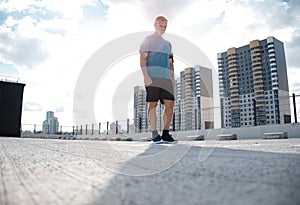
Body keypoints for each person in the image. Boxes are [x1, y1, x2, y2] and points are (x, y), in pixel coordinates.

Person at [139, 15, 176, 142]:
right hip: (152, 76)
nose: (163, 28)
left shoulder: (168, 44)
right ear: (155, 24)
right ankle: (154, 133)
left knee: (170, 104)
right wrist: (145, 75)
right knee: (153, 104)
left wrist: (172, 78)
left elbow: (170, 63)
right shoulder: (148, 40)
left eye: (165, 26)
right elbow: (143, 58)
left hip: (166, 78)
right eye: (161, 25)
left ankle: (165, 133)